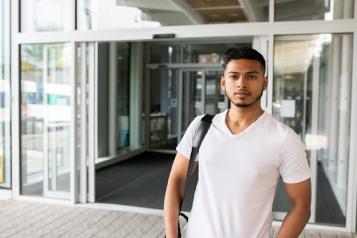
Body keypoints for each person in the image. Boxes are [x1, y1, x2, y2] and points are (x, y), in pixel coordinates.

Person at [163, 47, 311, 238]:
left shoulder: (284, 138)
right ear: (223, 82)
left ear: (264, 82)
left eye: (251, 76)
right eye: (234, 76)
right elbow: (176, 181)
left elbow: (301, 206)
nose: (241, 83)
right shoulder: (201, 126)